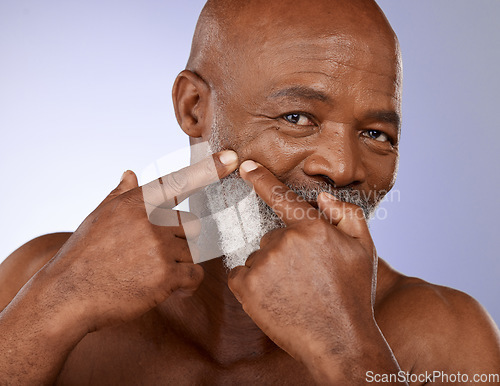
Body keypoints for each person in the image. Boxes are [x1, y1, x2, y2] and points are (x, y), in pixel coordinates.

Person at [1, 0, 499, 384]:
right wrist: (54, 304)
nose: (344, 168)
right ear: (195, 109)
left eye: (376, 135)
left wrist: (348, 352)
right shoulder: (40, 279)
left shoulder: (445, 338)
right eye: (297, 118)